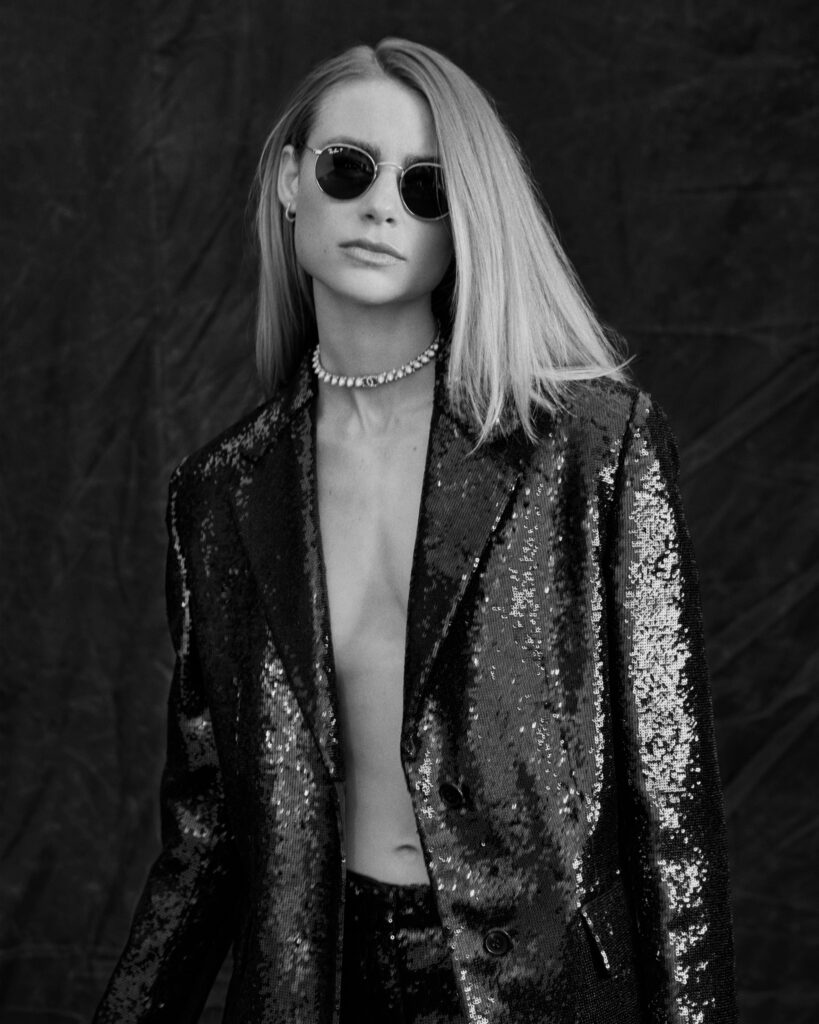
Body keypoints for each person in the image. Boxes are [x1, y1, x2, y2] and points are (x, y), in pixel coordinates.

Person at [93, 37, 736, 1024]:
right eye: (349, 168)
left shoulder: (589, 449)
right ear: (290, 180)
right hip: (316, 987)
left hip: (539, 994)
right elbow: (210, 835)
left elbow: (671, 811)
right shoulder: (218, 496)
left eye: (425, 186)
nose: (382, 207)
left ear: (462, 218)